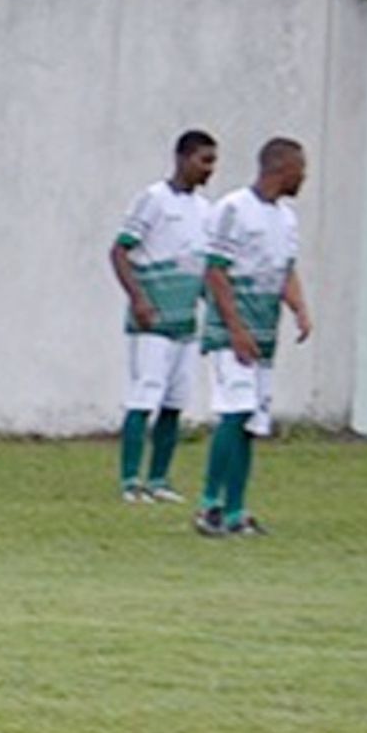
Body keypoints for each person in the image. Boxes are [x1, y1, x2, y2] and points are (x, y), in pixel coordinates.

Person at [193, 137, 313, 538]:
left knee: (251, 422)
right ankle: (210, 504)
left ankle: (236, 511)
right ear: (281, 169)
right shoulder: (233, 209)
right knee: (236, 410)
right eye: (301, 170)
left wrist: (299, 308)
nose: (305, 178)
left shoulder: (287, 218)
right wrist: (235, 329)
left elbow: (285, 271)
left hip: (264, 333)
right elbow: (215, 271)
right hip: (232, 333)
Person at [109, 129, 217, 504]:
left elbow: (203, 267)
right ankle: (130, 481)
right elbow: (120, 251)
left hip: (185, 322)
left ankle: (159, 479)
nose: (210, 169)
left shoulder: (206, 211)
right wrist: (138, 298)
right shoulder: (153, 200)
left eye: (213, 161)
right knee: (144, 396)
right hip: (152, 320)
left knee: (175, 402)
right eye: (204, 160)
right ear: (183, 158)